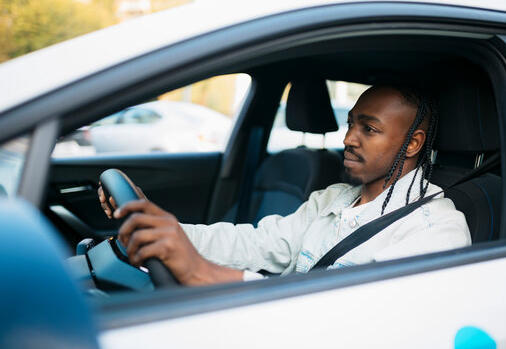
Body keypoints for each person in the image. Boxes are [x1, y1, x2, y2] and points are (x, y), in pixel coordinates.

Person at [98, 84, 471, 285]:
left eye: (368, 129)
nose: (348, 140)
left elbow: (349, 320)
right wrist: (166, 229)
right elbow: (257, 244)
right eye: (350, 124)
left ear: (415, 143)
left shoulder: (436, 233)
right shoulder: (334, 198)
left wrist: (204, 274)